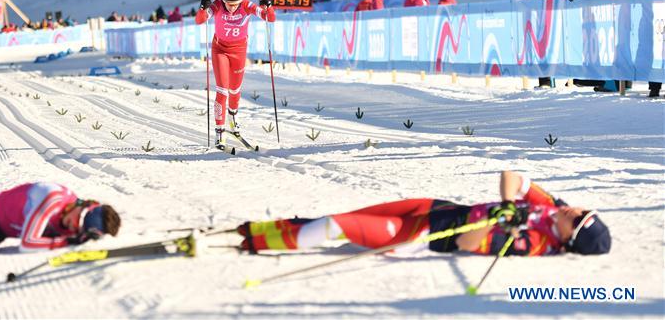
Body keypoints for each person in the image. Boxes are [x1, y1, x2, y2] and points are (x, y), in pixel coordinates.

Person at [236, 170, 610, 257]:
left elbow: (467, 243)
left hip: (422, 238)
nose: (575, 211)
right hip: (432, 208)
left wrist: (503, 225)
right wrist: (510, 203)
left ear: (569, 237)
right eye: (584, 210)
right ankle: (255, 229)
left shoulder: (534, 243)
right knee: (339, 216)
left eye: (578, 220)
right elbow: (513, 176)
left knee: (337, 227)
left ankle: (256, 243)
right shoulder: (554, 209)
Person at [195, 0, 275, 148]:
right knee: (222, 90)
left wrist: (267, 5)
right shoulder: (217, 5)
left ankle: (232, 117)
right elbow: (200, 21)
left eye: (235, 5)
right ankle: (219, 131)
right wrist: (203, 8)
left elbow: (270, 18)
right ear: (223, 0)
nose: (231, 8)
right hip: (220, 50)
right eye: (229, 5)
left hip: (239, 51)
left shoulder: (246, 5)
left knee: (235, 90)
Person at [518, 0, 558, 88]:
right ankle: (543, 81)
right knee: (539, 49)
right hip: (537, 18)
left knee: (548, 49)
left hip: (550, 17)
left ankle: (549, 81)